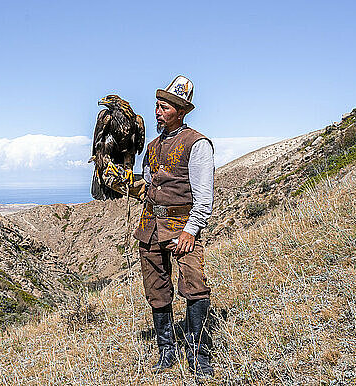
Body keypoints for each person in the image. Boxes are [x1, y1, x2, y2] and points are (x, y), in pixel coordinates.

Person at [133, 75, 215, 377]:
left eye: (164, 106)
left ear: (180, 111)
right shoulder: (152, 146)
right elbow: (147, 185)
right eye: (157, 105)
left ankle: (198, 354)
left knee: (194, 287)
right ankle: (167, 353)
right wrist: (120, 182)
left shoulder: (198, 144)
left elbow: (204, 197)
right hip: (149, 226)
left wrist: (191, 231)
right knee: (156, 290)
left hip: (182, 226)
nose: (157, 111)